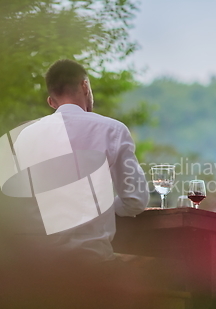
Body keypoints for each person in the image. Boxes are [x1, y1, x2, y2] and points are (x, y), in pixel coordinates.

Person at [12, 59, 149, 262]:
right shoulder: (113, 130)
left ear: (51, 102)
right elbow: (136, 200)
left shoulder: (25, 136)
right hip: (91, 262)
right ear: (85, 86)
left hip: (35, 265)